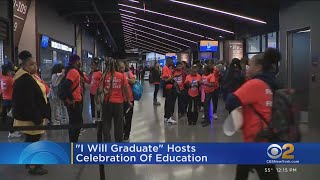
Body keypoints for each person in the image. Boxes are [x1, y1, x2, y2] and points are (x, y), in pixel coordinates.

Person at [226, 48, 281, 180]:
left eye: (250, 65)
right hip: (265, 136)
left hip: (255, 141)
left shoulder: (255, 84)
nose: (247, 68)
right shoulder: (271, 83)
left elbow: (231, 101)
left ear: (258, 67)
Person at [12, 50, 49, 175]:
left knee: (31, 140)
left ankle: (30, 162)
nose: (35, 66)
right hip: (32, 118)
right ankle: (34, 166)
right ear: (25, 66)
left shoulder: (30, 76)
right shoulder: (25, 79)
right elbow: (28, 102)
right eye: (32, 64)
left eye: (36, 64)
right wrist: (37, 118)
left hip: (34, 116)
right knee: (34, 141)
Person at [102, 59, 132, 142]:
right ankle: (118, 142)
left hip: (107, 102)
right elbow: (126, 89)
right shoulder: (121, 75)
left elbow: (101, 89)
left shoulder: (105, 75)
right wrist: (129, 101)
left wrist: (106, 91)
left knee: (107, 122)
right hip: (118, 103)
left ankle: (107, 141)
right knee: (118, 124)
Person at [63, 54, 89, 142]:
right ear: (76, 61)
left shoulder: (73, 71)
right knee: (76, 123)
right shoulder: (73, 71)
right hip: (75, 101)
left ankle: (73, 142)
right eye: (79, 60)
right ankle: (73, 142)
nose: (80, 62)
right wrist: (71, 99)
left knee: (74, 122)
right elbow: (67, 86)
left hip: (76, 100)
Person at [1, 64, 20, 138]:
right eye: (10, 71)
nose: (11, 72)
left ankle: (12, 131)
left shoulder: (3, 78)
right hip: (11, 100)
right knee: (12, 116)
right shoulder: (10, 79)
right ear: (7, 71)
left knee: (10, 116)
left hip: (5, 99)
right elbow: (16, 86)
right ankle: (11, 132)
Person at [119, 61, 135, 142]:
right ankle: (123, 130)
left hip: (129, 100)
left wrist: (125, 79)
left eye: (122, 67)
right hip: (120, 100)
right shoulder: (116, 75)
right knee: (120, 117)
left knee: (128, 118)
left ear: (125, 67)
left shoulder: (128, 73)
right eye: (119, 68)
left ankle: (127, 134)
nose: (121, 69)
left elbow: (133, 81)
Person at [162, 57, 178, 124]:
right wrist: (174, 76)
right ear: (168, 61)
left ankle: (166, 116)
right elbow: (165, 79)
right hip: (168, 88)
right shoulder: (165, 68)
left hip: (169, 87)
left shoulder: (168, 68)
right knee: (169, 102)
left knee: (168, 102)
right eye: (171, 61)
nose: (172, 63)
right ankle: (169, 117)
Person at [89, 58, 102, 123]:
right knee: (92, 105)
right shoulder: (91, 72)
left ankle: (99, 117)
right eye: (93, 65)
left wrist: (100, 90)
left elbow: (102, 82)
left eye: (94, 65)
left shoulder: (100, 73)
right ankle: (93, 117)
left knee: (98, 104)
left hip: (97, 92)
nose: (93, 66)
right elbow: (89, 81)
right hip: (91, 91)